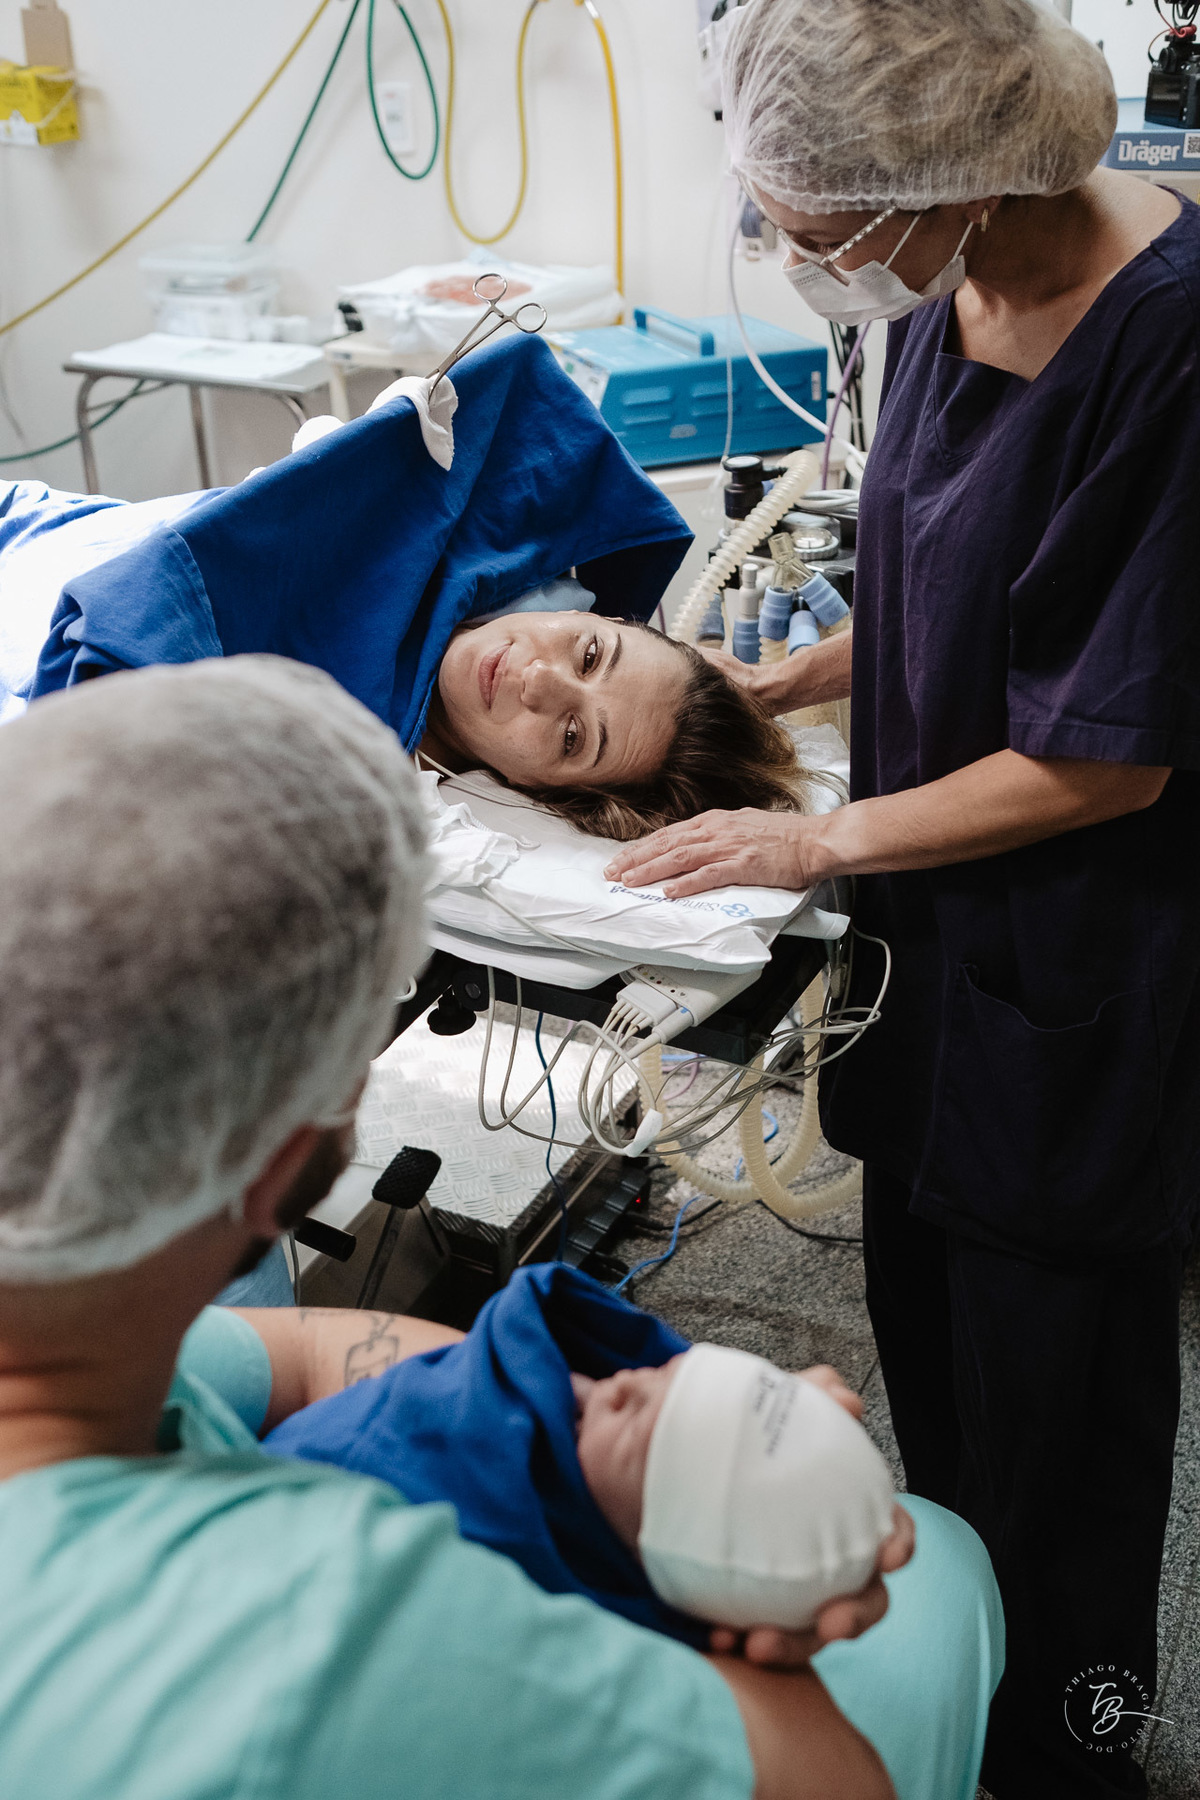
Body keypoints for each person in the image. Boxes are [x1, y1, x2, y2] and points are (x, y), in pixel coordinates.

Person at [0, 649, 975, 1800]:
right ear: (287, 1167)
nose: (546, 680)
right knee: (943, 1580)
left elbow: (297, 1354)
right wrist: (758, 1558)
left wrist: (596, 1435)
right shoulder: (331, 1626)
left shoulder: (79, 1352)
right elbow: (831, 1780)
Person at [606, 3, 1200, 1795]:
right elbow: (956, 588)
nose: (795, 256)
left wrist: (812, 844)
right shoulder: (948, 291)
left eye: (811, 227)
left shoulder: (1167, 349)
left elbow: (1109, 755)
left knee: (1062, 1443)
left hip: (1077, 977)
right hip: (931, 964)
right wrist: (791, 681)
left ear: (948, 177)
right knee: (944, 1396)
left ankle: (1076, 1752)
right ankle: (951, 1695)